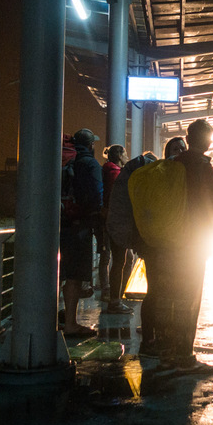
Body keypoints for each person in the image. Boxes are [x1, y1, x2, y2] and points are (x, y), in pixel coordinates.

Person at [140, 120, 213, 373]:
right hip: (192, 243)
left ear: (188, 138)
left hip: (169, 241)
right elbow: (211, 206)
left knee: (168, 297)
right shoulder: (203, 167)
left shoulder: (173, 164)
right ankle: (184, 357)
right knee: (189, 299)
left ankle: (167, 352)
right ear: (208, 141)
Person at [59, 128, 103, 337]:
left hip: (59, 223)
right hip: (80, 225)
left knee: (59, 274)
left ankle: (50, 318)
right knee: (75, 276)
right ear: (90, 145)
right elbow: (96, 193)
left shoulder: (64, 161)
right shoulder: (89, 163)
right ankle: (70, 324)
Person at [98, 144, 132, 314]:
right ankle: (115, 298)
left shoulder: (106, 170)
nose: (127, 156)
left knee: (111, 258)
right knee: (120, 260)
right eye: (125, 153)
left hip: (108, 220)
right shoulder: (115, 173)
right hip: (116, 222)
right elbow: (117, 198)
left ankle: (113, 294)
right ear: (120, 155)